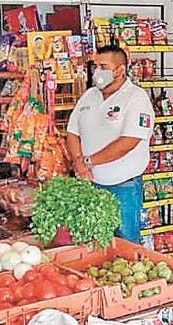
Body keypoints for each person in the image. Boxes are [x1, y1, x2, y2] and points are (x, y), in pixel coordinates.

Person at [66, 45, 154, 244]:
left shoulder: (136, 98)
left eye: (103, 66)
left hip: (123, 187)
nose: (97, 71)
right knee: (93, 242)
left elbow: (128, 142)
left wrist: (88, 161)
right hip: (90, 184)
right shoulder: (89, 96)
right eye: (95, 66)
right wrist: (78, 161)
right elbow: (72, 132)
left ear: (120, 70)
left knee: (125, 242)